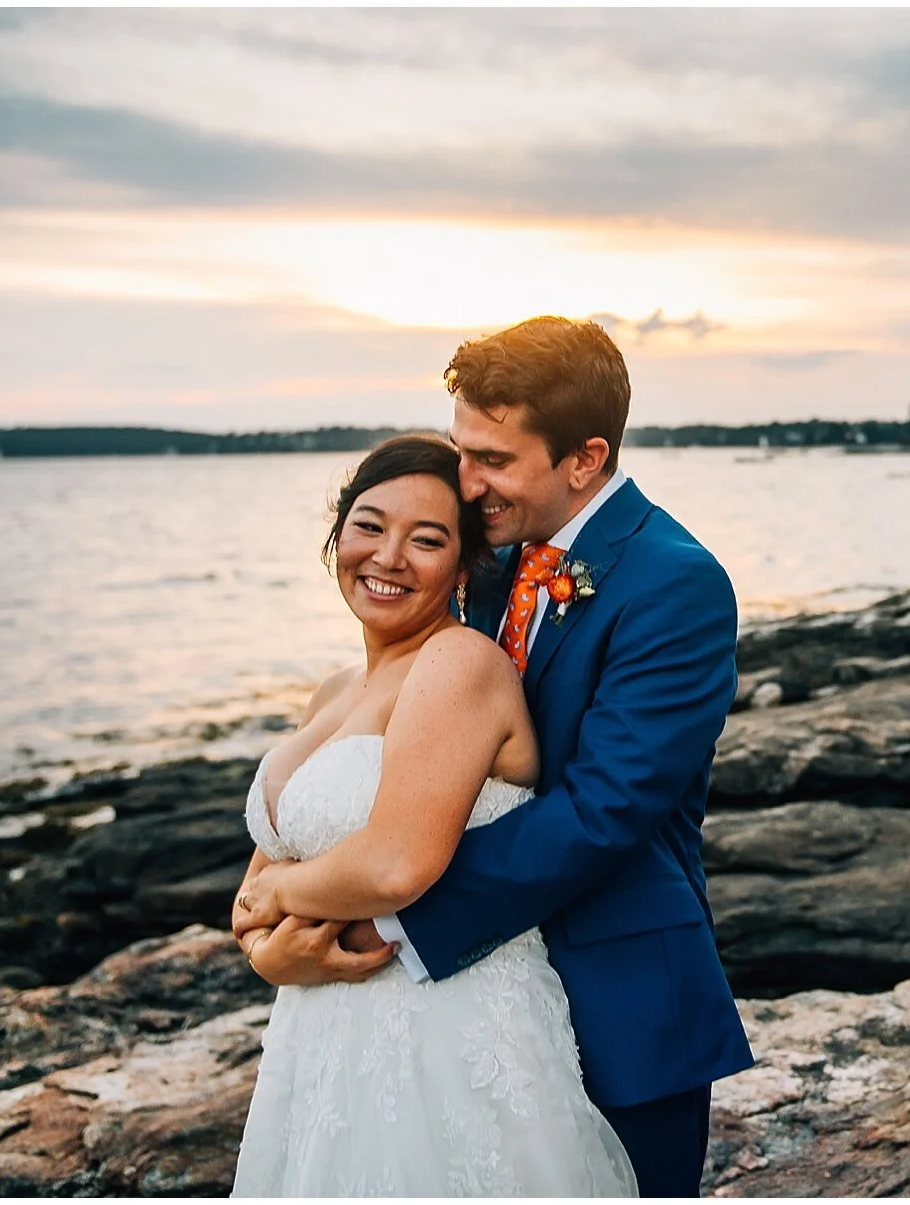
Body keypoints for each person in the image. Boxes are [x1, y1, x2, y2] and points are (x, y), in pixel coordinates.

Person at [235, 316, 754, 1197]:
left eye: (494, 459)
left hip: (614, 982)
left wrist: (390, 914)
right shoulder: (486, 556)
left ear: (585, 459)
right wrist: (273, 941)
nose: (467, 484)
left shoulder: (676, 581)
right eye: (461, 449)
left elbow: (605, 808)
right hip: (457, 1007)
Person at [228, 433, 638, 1196]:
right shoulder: (331, 692)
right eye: (369, 525)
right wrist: (265, 952)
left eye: (427, 540)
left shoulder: (460, 663)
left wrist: (274, 903)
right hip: (319, 1043)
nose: (387, 557)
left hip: (437, 1033)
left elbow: (393, 864)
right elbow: (266, 869)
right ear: (336, 534)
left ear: (463, 565)